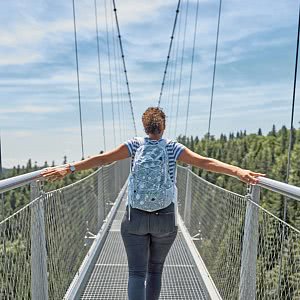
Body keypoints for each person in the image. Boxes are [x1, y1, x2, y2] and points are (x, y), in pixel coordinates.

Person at [42, 106, 264, 300]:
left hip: (135, 217)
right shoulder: (173, 148)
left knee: (136, 273)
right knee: (155, 271)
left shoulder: (134, 146)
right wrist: (237, 171)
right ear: (163, 127)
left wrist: (69, 168)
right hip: (165, 219)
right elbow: (205, 162)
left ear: (144, 126)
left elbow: (103, 159)